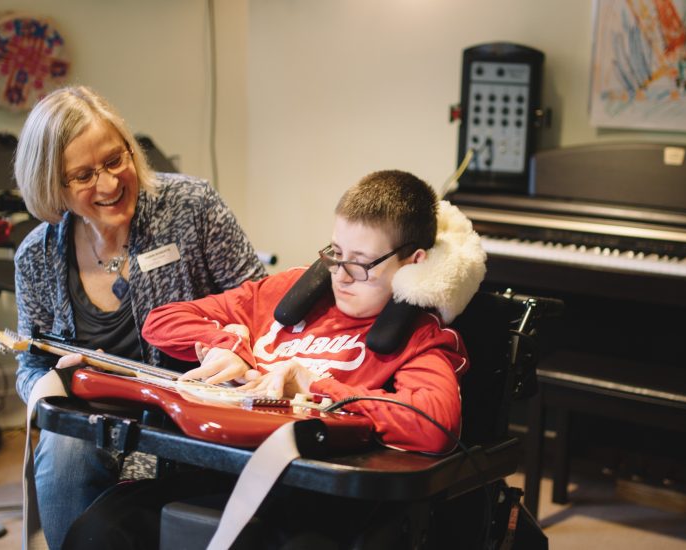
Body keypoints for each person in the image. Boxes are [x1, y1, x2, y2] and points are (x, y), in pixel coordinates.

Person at [12, 85, 266, 549]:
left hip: (194, 412)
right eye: (84, 175)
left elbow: (260, 305)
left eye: (115, 160)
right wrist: (50, 385)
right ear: (53, 185)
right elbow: (30, 364)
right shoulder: (36, 255)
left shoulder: (191, 207)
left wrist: (233, 349)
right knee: (63, 443)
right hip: (97, 419)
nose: (109, 184)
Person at [142, 169, 487, 453]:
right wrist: (227, 348)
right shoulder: (287, 290)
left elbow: (435, 426)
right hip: (219, 456)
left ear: (413, 263)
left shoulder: (419, 336)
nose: (340, 275)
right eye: (336, 253)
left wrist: (318, 386)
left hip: (302, 486)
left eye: (361, 264)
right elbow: (161, 320)